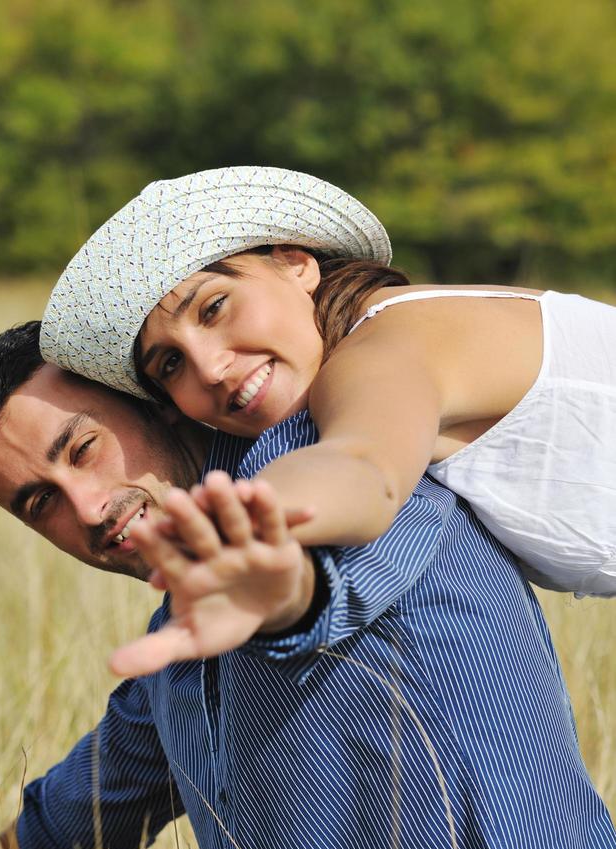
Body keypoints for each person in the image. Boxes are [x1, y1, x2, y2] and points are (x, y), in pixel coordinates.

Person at [0, 323, 615, 849]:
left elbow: (320, 584)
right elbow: (83, 810)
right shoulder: (185, 641)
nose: (91, 507)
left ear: (155, 400)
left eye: (83, 449)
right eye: (41, 502)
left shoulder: (351, 484)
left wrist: (281, 600)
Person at [40, 165, 616, 599]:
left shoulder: (384, 353)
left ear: (296, 263)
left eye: (214, 308)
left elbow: (364, 469)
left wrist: (254, 519)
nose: (209, 367)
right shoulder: (386, 327)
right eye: (170, 365)